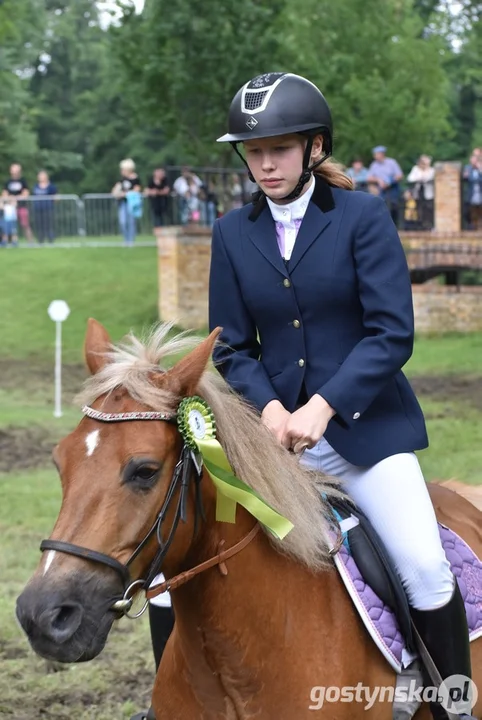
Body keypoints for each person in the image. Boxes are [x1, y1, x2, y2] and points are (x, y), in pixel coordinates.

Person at [207, 72, 475, 720]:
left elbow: (391, 333)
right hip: (274, 443)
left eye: (279, 147)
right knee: (192, 567)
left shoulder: (362, 218)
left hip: (366, 435)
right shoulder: (231, 233)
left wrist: (321, 408)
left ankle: (453, 706)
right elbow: (230, 346)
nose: (265, 162)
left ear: (314, 147)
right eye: (253, 150)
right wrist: (270, 411)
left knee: (424, 568)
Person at [367, 145, 404, 226]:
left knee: (395, 206)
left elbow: (400, 175)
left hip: (393, 188)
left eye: (376, 154)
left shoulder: (392, 162)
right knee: (382, 206)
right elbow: (369, 178)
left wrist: (390, 181)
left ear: (382, 154)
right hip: (381, 189)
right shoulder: (374, 165)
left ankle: (397, 225)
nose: (375, 156)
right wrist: (378, 180)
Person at [112, 159, 142, 246]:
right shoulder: (122, 180)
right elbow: (115, 190)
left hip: (131, 203)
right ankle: (125, 239)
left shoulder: (136, 179)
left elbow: (137, 190)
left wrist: (126, 194)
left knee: (131, 222)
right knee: (123, 221)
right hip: (123, 203)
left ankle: (131, 241)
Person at [2, 163, 33, 243]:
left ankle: (30, 241)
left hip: (22, 206)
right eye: (13, 170)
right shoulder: (8, 181)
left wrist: (16, 198)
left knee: (25, 224)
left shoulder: (23, 181)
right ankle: (9, 241)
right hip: (11, 207)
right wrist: (10, 199)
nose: (15, 172)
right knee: (10, 225)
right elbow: (4, 193)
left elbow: (26, 193)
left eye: (16, 170)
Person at [407, 155, 435, 230]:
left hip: (429, 194)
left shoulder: (432, 170)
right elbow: (410, 178)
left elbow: (431, 178)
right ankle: (420, 226)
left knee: (429, 210)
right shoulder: (415, 169)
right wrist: (419, 178)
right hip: (418, 193)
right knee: (419, 209)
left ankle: (429, 226)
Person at [32, 171, 58, 244]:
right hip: (38, 208)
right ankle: (40, 240)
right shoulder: (36, 186)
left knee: (49, 224)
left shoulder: (51, 186)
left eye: (42, 176)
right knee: (39, 224)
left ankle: (50, 239)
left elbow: (55, 197)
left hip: (48, 208)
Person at [146, 167, 171, 238]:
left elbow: (166, 191)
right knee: (156, 222)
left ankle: (165, 237)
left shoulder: (166, 180)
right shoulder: (151, 180)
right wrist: (152, 192)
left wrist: (157, 192)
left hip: (164, 205)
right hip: (155, 205)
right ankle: (158, 236)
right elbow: (147, 191)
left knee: (164, 221)